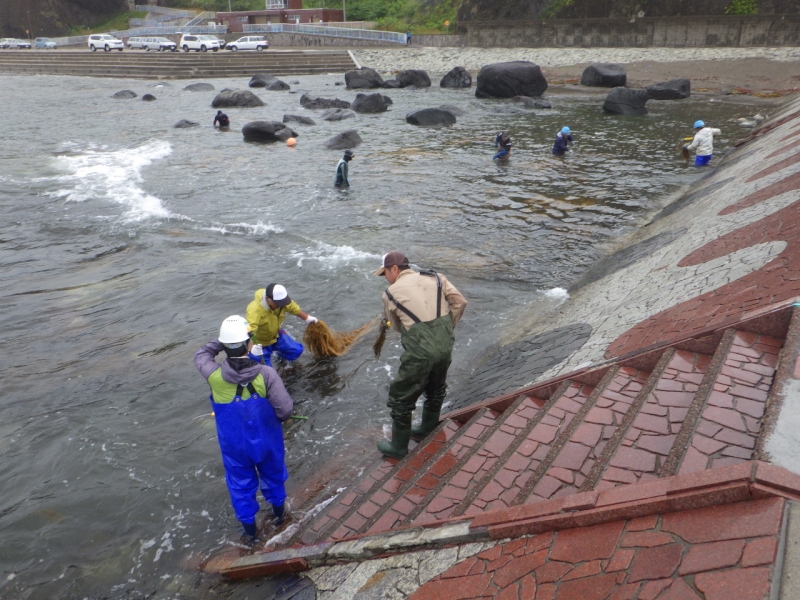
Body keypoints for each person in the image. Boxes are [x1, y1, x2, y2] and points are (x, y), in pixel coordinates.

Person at [194, 315, 293, 542]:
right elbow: (285, 411)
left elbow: (201, 354)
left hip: (235, 448)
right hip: (268, 442)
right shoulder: (266, 374)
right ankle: (279, 518)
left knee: (240, 486)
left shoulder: (214, 376)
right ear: (249, 343)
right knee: (273, 476)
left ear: (225, 347)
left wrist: (224, 341)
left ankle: (251, 535)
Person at [374, 252, 467, 458]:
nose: (386, 278)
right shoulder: (436, 277)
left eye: (385, 273)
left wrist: (422, 334)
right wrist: (445, 328)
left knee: (401, 397)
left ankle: (398, 447)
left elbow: (398, 326)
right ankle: (427, 428)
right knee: (436, 388)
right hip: (445, 343)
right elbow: (460, 302)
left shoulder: (390, 293)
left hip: (420, 351)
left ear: (394, 269)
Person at [245, 283, 318, 367]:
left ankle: (280, 359)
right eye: (277, 304)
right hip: (260, 343)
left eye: (282, 303)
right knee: (266, 372)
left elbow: (292, 307)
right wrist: (252, 348)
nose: (280, 306)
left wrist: (307, 318)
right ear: (267, 299)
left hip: (276, 335)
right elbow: (248, 332)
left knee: (296, 350)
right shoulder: (254, 310)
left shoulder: (281, 303)